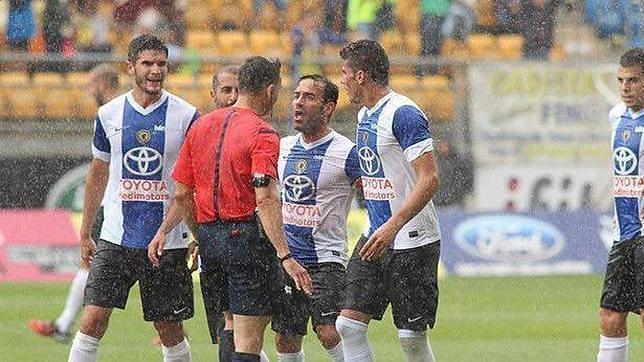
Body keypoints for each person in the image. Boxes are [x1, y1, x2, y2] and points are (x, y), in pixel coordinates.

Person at [169, 56, 313, 362]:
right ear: (270, 90)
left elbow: (182, 193)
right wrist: (285, 255)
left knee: (230, 325)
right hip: (245, 238)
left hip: (210, 239)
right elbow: (265, 198)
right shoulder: (262, 133)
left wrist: (200, 233)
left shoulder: (200, 126)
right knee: (248, 340)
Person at [68, 34, 199, 362]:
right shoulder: (109, 114)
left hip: (167, 241)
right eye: (147, 63)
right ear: (130, 67)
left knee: (168, 328)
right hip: (115, 236)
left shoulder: (186, 116)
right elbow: (98, 173)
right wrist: (86, 232)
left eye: (161, 64)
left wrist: (196, 232)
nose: (155, 70)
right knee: (92, 320)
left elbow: (192, 182)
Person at [336, 39, 441, 361]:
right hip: (376, 236)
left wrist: (393, 226)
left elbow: (430, 178)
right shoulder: (365, 114)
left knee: (411, 338)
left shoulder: (403, 113)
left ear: (361, 76)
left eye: (345, 73)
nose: (341, 81)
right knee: (348, 326)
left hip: (412, 239)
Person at [28, 64, 121, 344]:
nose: (87, 90)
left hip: (114, 203)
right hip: (117, 203)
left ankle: (64, 324)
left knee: (90, 265)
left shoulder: (114, 112)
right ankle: (64, 323)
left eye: (91, 84)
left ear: (103, 83)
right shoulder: (117, 111)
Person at [271, 74, 361, 362]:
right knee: (286, 338)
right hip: (288, 259)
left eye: (309, 97)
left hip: (327, 260)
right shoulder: (281, 148)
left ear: (328, 107)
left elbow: (372, 196)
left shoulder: (347, 152)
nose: (298, 102)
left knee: (329, 331)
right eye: (297, 95)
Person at [597, 47, 644, 362]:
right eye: (621, 80)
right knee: (610, 315)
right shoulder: (617, 116)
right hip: (623, 235)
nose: (625, 87)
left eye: (634, 81)